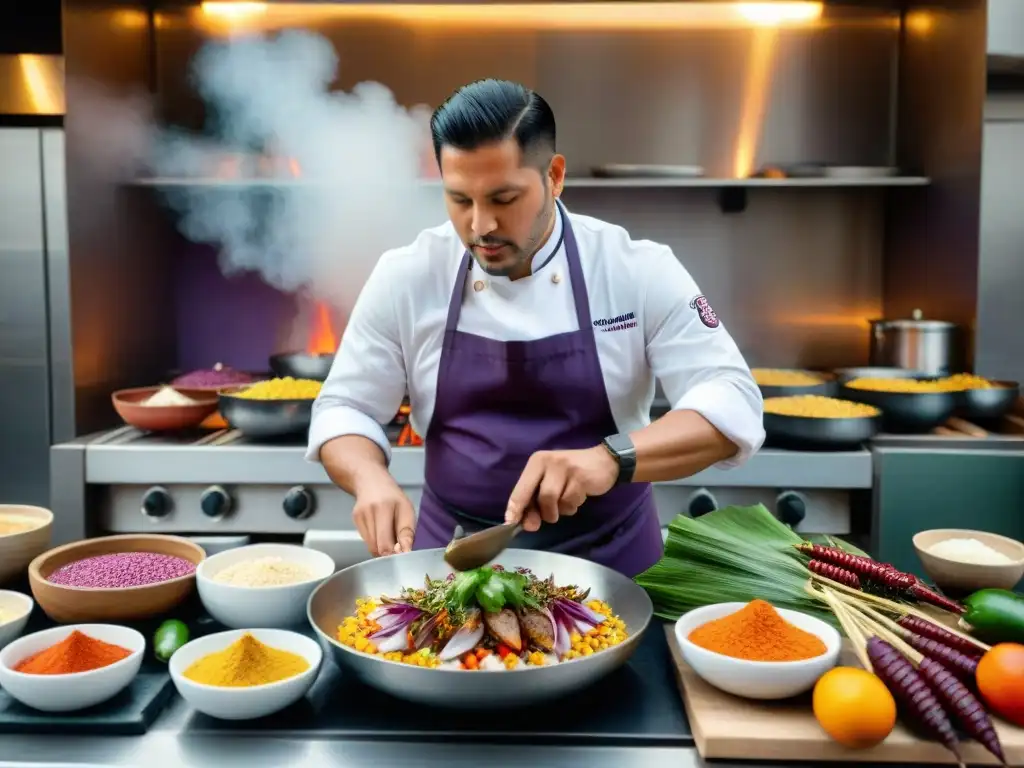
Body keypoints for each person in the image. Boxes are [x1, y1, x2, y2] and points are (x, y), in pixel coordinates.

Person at [306, 79, 764, 578]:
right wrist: (370, 477)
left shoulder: (635, 269)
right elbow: (344, 407)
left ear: (555, 175)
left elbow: (733, 400)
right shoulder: (409, 275)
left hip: (612, 571)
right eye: (460, 199)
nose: (480, 225)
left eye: (504, 198)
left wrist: (611, 459)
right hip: (453, 568)